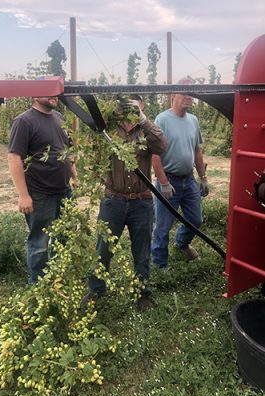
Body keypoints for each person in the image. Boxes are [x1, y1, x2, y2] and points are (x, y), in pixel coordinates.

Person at [85, 95, 167, 311]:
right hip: (113, 200)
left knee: (142, 251)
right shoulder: (107, 131)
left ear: (141, 105)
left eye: (134, 103)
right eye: (124, 103)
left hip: (142, 202)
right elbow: (92, 150)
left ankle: (142, 293)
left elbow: (161, 146)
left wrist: (143, 119)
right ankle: (96, 289)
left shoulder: (146, 130)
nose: (128, 107)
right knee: (103, 248)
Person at [8, 95, 77, 284]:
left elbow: (67, 151)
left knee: (64, 237)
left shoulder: (60, 118)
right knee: (40, 243)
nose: (54, 96)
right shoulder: (24, 121)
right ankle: (38, 288)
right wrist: (23, 195)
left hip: (64, 191)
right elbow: (14, 158)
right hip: (39, 193)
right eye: (48, 91)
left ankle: (58, 281)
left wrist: (75, 176)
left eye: (55, 92)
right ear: (35, 95)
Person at [151, 77, 209, 269]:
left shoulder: (193, 120)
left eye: (191, 93)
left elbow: (197, 151)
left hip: (189, 181)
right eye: (184, 92)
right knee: (163, 226)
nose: (188, 97)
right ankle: (160, 263)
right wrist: (164, 182)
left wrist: (204, 178)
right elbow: (155, 154)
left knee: (195, 220)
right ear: (173, 94)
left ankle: (182, 243)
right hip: (169, 181)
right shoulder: (162, 119)